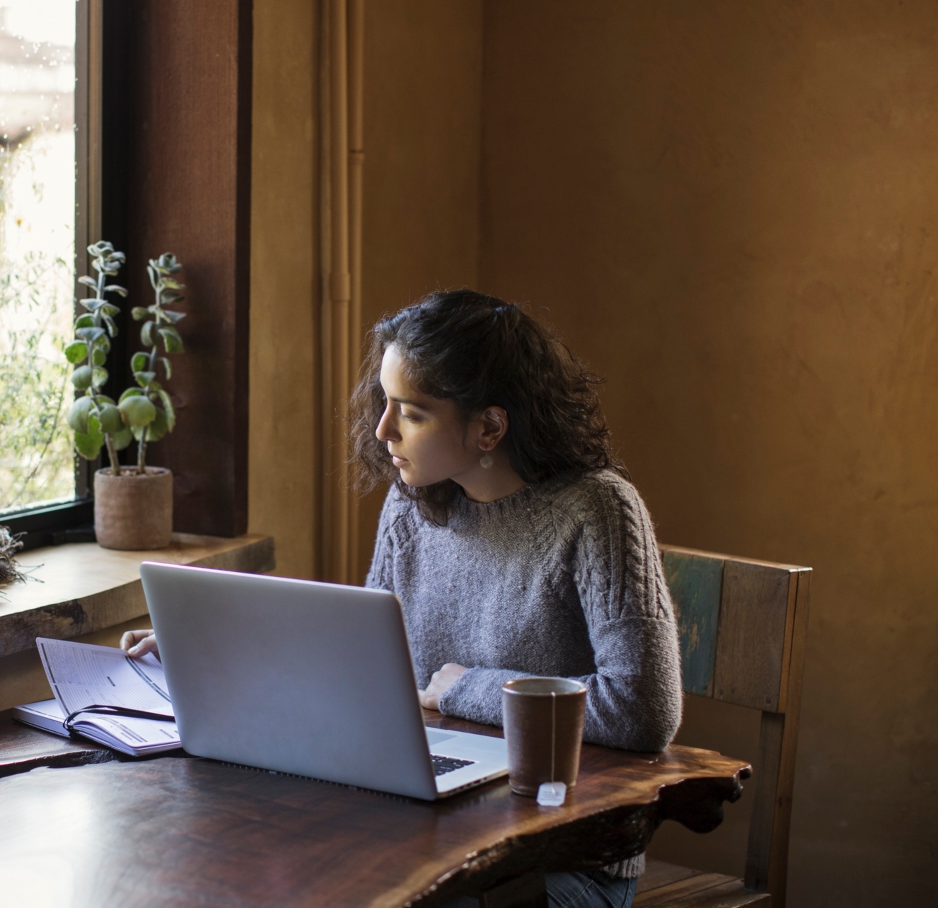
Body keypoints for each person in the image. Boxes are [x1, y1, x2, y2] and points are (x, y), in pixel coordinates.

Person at [123, 289, 682, 908]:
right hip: (437, 830)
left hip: (563, 861)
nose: (384, 429)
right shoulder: (413, 503)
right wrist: (218, 649)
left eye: (411, 412)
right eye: (384, 403)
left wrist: (465, 688)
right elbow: (370, 668)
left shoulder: (597, 511)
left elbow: (642, 710)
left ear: (489, 426)